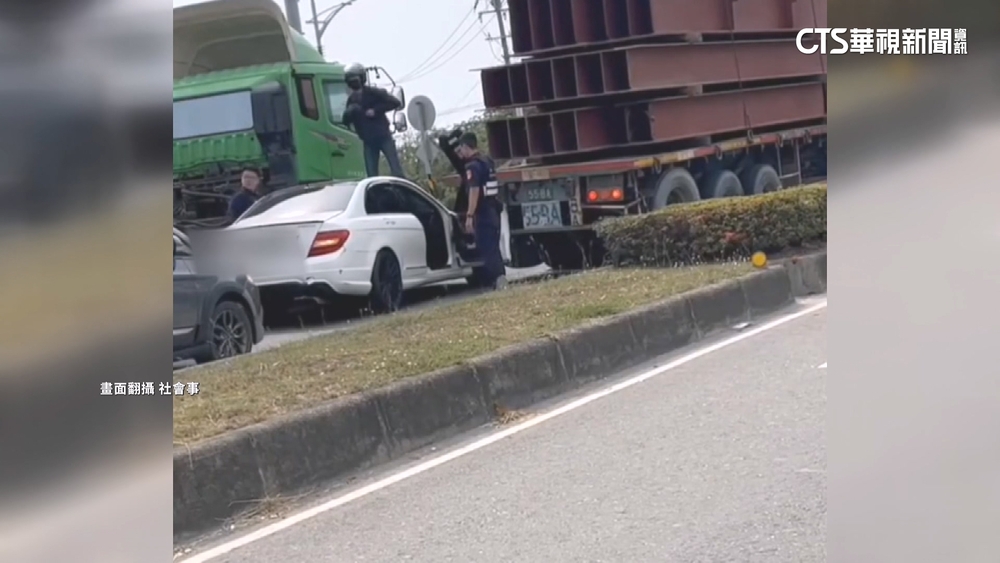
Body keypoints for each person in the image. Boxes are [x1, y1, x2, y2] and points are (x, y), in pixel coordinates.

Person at [456, 131, 507, 290]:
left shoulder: (472, 166)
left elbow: (474, 190)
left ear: (466, 147)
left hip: (483, 211)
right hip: (494, 208)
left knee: (487, 247)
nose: (460, 153)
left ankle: (498, 279)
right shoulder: (487, 161)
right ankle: (498, 279)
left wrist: (469, 215)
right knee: (493, 245)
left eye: (461, 149)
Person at [340, 63, 405, 178]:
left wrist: (375, 110)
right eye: (350, 81)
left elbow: (395, 102)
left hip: (383, 136)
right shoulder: (352, 100)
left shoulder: (373, 93)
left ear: (362, 78)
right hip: (368, 141)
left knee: (396, 170)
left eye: (355, 80)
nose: (353, 83)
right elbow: (345, 120)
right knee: (371, 176)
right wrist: (351, 111)